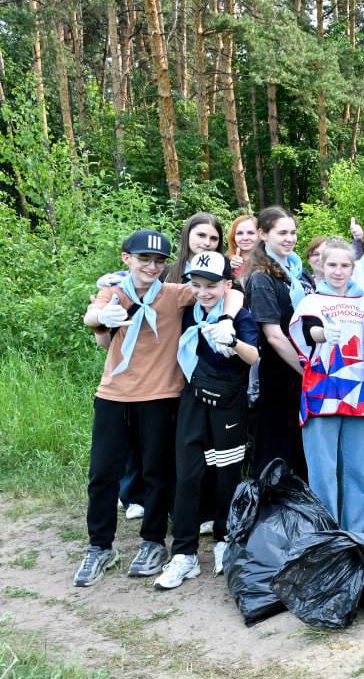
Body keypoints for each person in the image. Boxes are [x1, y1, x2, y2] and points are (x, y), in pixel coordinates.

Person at [76, 230, 241, 586]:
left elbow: (230, 292)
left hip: (161, 396)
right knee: (102, 473)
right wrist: (104, 316)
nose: (151, 266)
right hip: (113, 394)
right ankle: (100, 546)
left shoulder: (173, 293)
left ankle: (152, 542)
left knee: (157, 473)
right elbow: (92, 316)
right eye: (144, 259)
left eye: (158, 261)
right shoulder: (115, 292)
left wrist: (227, 319)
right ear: (127, 259)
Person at [155, 251, 259, 589]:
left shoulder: (239, 315)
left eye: (211, 285)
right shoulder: (189, 312)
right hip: (192, 398)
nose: (203, 292)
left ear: (227, 284)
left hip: (228, 402)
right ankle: (183, 553)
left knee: (226, 474)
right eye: (197, 285)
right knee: (187, 474)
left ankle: (224, 539)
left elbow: (254, 356)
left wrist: (233, 341)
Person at [292, 240, 364, 531]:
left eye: (345, 265)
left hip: (358, 395)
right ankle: (327, 533)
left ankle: (355, 532)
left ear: (353, 268)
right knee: (322, 470)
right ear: (321, 266)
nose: (338, 271)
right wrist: (322, 333)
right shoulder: (311, 301)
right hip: (321, 393)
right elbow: (307, 330)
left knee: (356, 468)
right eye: (332, 265)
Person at [242, 206, 314, 477]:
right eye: (282, 233)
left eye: (293, 232)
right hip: (281, 373)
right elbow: (273, 335)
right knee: (277, 448)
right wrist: (307, 371)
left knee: (301, 446)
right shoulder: (262, 278)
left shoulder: (298, 274)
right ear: (263, 234)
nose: (290, 238)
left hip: (302, 371)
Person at [165, 213, 223, 283]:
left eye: (213, 238)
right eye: (201, 235)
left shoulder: (225, 274)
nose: (207, 243)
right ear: (187, 234)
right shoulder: (165, 272)